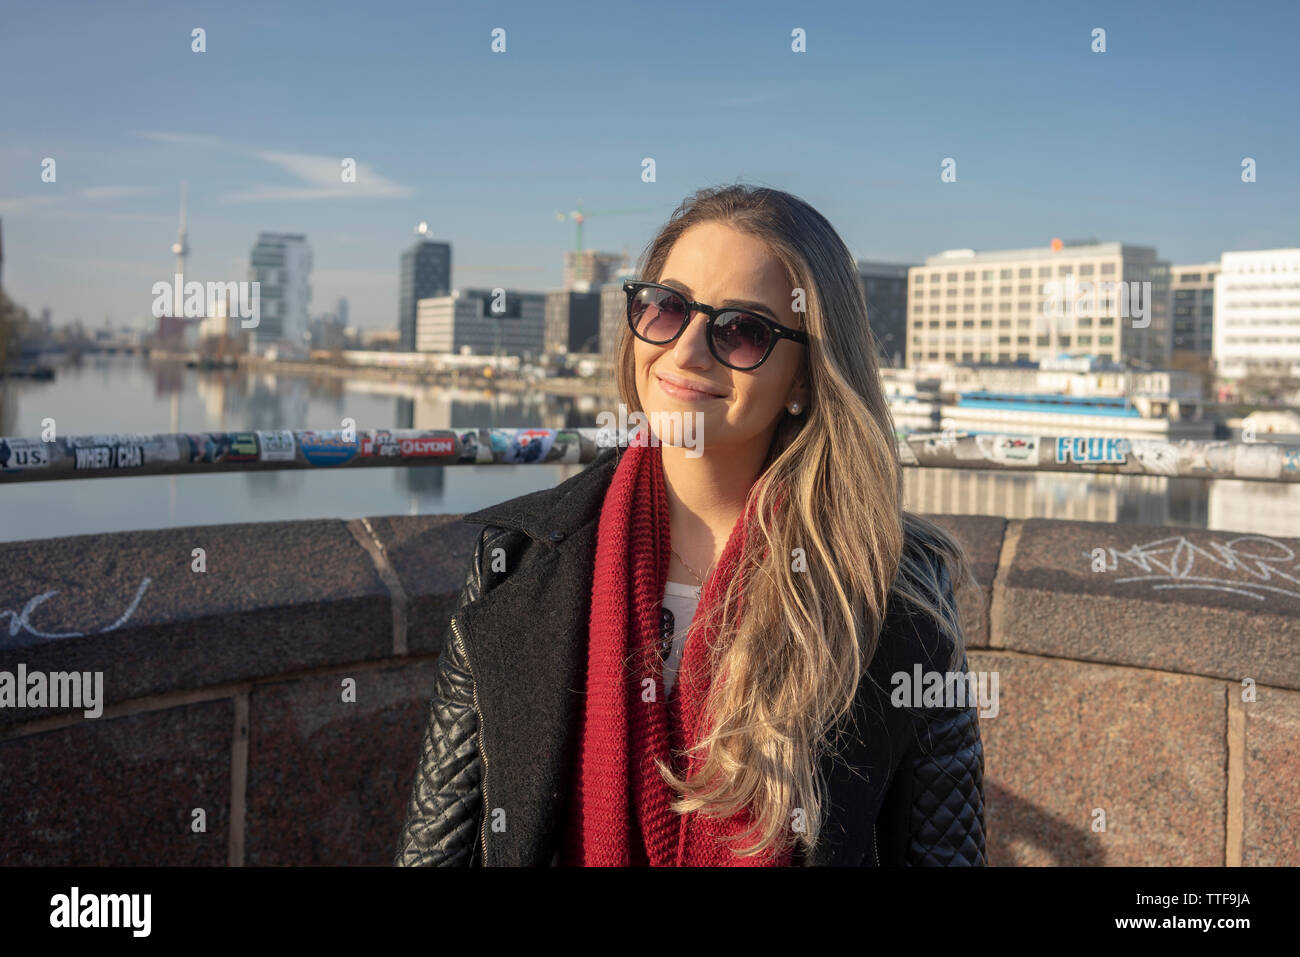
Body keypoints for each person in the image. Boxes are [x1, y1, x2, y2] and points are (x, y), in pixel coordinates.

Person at [395, 184, 986, 866]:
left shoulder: (895, 591)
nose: (686, 350)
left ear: (805, 377)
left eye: (742, 330)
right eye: (668, 307)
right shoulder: (518, 559)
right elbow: (435, 852)